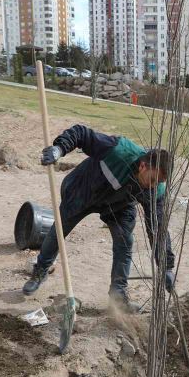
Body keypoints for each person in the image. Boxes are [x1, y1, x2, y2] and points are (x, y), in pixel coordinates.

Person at [23, 124, 176, 311]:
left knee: (125, 243)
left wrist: (166, 265)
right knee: (59, 231)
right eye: (153, 180)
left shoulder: (155, 190)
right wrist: (59, 149)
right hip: (84, 191)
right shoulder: (118, 150)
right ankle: (40, 271)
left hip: (119, 205)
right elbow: (82, 134)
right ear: (143, 166)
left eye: (158, 183)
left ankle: (118, 297)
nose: (154, 186)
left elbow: (158, 227)